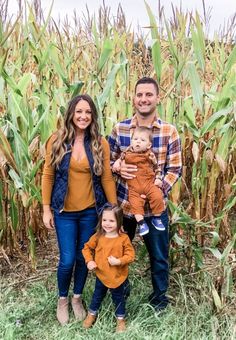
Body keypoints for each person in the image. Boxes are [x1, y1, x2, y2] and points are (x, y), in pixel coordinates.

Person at [41, 94, 117, 325]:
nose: (83, 116)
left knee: (84, 258)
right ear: (71, 114)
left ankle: (77, 298)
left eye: (88, 112)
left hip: (90, 212)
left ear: (93, 116)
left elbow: (106, 178)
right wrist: (46, 209)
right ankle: (62, 299)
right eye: (79, 112)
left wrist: (114, 209)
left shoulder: (99, 143)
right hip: (64, 212)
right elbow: (48, 175)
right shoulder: (56, 140)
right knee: (67, 260)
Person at [108, 77, 182, 311]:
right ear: (134, 98)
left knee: (159, 257)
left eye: (149, 94)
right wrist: (116, 166)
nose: (144, 99)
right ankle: (121, 294)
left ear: (158, 98)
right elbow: (106, 162)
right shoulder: (119, 129)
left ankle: (159, 300)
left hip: (155, 208)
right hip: (125, 206)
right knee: (119, 251)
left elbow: (175, 168)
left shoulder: (169, 131)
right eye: (140, 95)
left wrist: (158, 188)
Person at [82, 204, 135, 332]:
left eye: (112, 221)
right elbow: (87, 247)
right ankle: (92, 315)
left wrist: (119, 261)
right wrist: (89, 261)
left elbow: (131, 255)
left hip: (117, 276)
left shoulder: (123, 238)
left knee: (118, 298)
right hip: (101, 274)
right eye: (104, 220)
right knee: (97, 296)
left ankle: (121, 319)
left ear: (119, 221)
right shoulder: (98, 236)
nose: (107, 224)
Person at [112, 126, 165, 236]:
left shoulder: (149, 155)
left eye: (142, 140)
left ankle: (157, 218)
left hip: (149, 184)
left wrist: (159, 179)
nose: (138, 142)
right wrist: (117, 163)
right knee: (135, 204)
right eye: (135, 139)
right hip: (134, 187)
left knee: (157, 196)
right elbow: (119, 158)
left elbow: (156, 167)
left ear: (149, 145)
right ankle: (141, 223)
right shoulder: (127, 153)